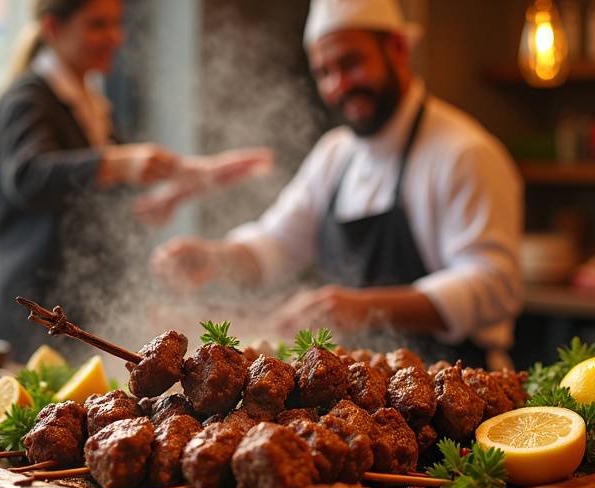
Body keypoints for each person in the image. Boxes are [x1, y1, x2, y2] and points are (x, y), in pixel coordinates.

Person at [151, 0, 523, 369]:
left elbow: (494, 283)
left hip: (456, 387)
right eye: (324, 72)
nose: (338, 85)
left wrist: (362, 308)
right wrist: (216, 259)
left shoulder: (464, 153)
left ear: (397, 48)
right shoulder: (334, 154)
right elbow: (277, 243)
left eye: (350, 63)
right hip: (357, 397)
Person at [0, 0, 181, 359]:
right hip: (36, 313)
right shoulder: (28, 98)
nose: (114, 37)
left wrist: (154, 201)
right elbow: (28, 177)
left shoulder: (91, 104)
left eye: (116, 24)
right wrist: (118, 162)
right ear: (53, 28)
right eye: (97, 25)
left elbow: (97, 200)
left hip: (79, 312)